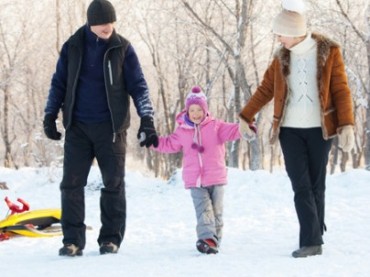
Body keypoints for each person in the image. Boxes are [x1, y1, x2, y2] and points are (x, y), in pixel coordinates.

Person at [239, 0, 355, 258]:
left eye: (280, 34)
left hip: (319, 130)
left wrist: (347, 124)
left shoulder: (328, 52)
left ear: (293, 31)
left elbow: (341, 90)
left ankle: (315, 233)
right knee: (301, 185)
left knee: (316, 184)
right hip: (289, 131)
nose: (278, 39)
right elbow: (265, 89)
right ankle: (311, 241)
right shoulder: (281, 58)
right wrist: (245, 116)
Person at [43, 0, 158, 257]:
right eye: (103, 25)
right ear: (91, 23)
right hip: (78, 128)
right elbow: (58, 83)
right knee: (71, 185)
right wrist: (50, 115)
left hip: (111, 129)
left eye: (111, 24)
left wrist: (147, 119)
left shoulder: (122, 48)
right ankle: (72, 240)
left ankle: (110, 239)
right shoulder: (73, 46)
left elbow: (138, 86)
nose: (108, 29)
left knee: (113, 184)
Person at [152, 86, 248, 254]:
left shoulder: (216, 126)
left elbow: (233, 131)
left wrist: (246, 126)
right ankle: (206, 238)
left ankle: (214, 240)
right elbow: (168, 144)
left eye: (199, 110)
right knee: (204, 210)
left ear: (205, 110)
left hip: (216, 178)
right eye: (192, 110)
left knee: (216, 212)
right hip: (195, 180)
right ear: (187, 111)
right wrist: (153, 141)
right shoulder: (182, 131)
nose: (195, 113)